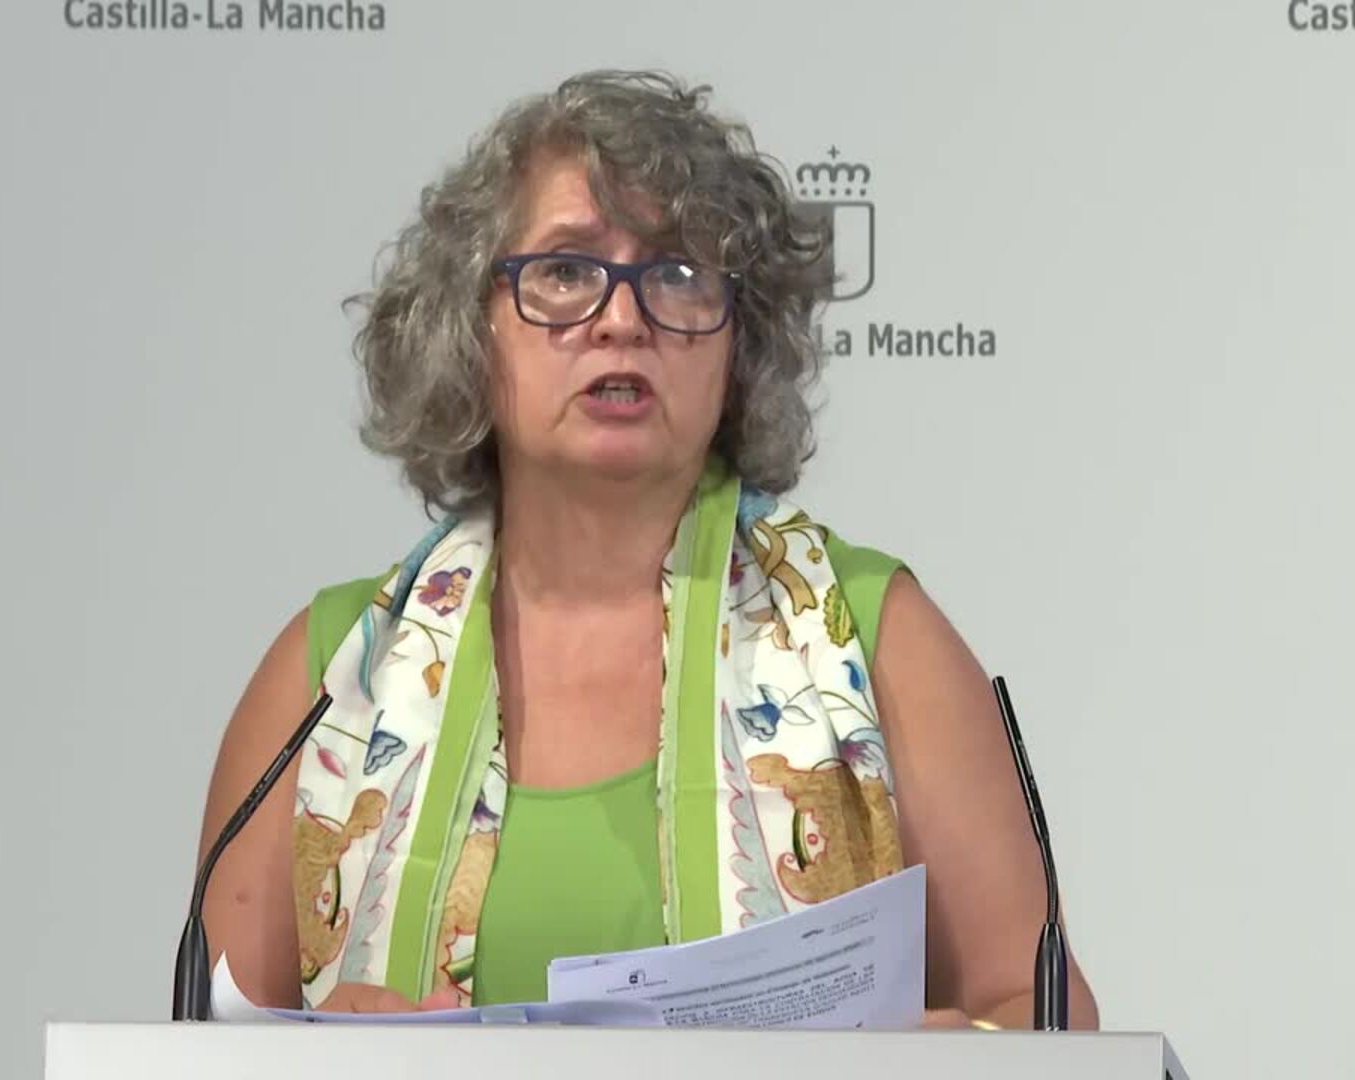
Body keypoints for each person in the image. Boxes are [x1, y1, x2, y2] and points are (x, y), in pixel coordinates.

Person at [195, 69, 1098, 1030]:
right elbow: (201, 1050)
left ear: (737, 341)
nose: (622, 319)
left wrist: (922, 1060)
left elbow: (1047, 1018)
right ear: (471, 326)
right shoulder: (329, 677)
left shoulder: (873, 636)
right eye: (566, 271)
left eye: (677, 274)